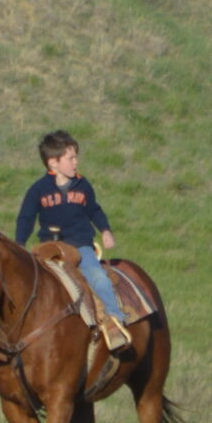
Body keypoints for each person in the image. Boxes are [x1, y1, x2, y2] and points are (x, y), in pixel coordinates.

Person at [14, 130, 130, 352]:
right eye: (71, 158)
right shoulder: (38, 189)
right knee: (33, 282)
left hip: (80, 245)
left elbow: (94, 210)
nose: (76, 162)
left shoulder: (82, 185)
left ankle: (115, 320)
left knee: (98, 277)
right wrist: (20, 243)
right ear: (53, 163)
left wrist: (105, 229)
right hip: (49, 248)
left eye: (76, 157)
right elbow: (26, 218)